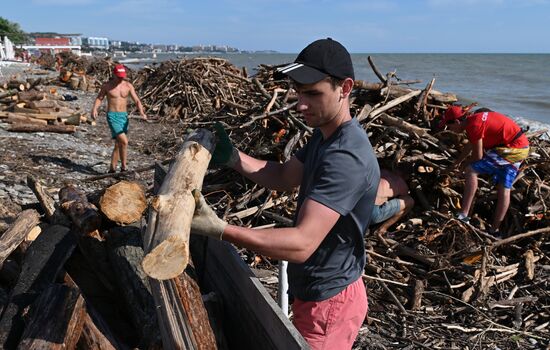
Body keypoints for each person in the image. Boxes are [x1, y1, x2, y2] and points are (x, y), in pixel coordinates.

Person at [190, 38, 380, 349]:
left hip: (330, 302)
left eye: (312, 93)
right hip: (315, 292)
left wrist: (221, 230)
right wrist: (233, 157)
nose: (300, 104)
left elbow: (302, 244)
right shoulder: (326, 137)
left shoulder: (347, 156)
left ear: (345, 88)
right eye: (298, 92)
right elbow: (282, 176)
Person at [439, 105, 529, 235]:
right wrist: (456, 163)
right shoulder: (474, 121)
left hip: (512, 149)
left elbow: (478, 156)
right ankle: (494, 231)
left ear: (457, 121)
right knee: (504, 187)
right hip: (521, 147)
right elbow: (471, 145)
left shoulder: (473, 125)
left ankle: (463, 215)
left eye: (449, 126)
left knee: (471, 170)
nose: (450, 130)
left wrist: (464, 167)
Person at [91, 64, 147, 173]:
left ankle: (112, 168)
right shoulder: (107, 86)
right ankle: (124, 168)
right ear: (114, 74)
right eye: (119, 76)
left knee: (118, 143)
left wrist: (141, 112)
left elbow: (137, 100)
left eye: (122, 76)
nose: (121, 78)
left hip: (124, 117)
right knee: (124, 141)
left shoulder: (128, 86)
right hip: (112, 116)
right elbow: (99, 98)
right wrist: (94, 109)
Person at [371, 168, 414, 235]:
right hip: (372, 215)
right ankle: (381, 229)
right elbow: (403, 199)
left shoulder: (382, 171)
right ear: (407, 176)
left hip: (356, 209)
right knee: (409, 201)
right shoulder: (402, 184)